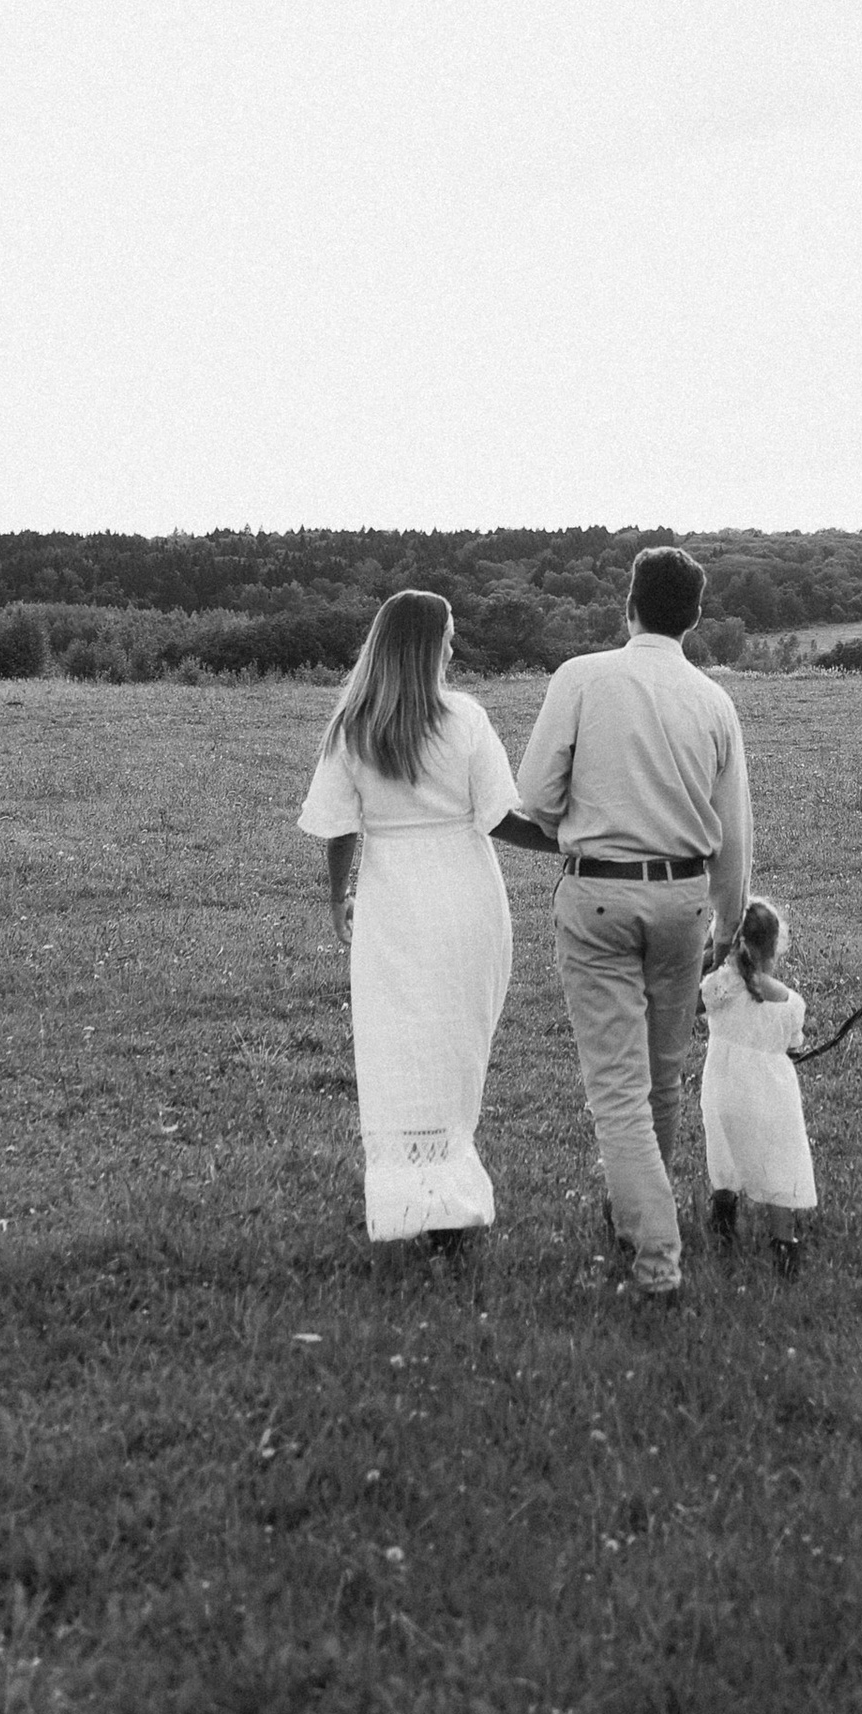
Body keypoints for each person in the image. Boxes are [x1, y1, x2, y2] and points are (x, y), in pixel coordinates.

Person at [510, 543, 753, 1300]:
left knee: (617, 1091)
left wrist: (596, 816)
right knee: (661, 1081)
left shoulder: (581, 678)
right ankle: (633, 1217)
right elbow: (734, 830)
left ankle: (656, 1257)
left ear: (629, 605)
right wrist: (728, 923)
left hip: (599, 897)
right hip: (684, 902)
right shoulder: (714, 700)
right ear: (696, 617)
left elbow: (536, 800)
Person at [296, 587, 531, 1248]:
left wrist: (337, 895)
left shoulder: (353, 724)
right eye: (451, 633)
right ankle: (443, 1200)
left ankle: (420, 1197)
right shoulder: (465, 719)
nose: (455, 642)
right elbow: (502, 817)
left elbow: (339, 828)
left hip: (392, 898)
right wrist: (573, 840)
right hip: (464, 892)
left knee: (399, 1046)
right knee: (457, 1042)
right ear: (431, 644)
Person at [699, 896, 815, 1273]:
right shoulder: (790, 1003)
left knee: (725, 1148)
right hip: (771, 1095)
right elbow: (794, 1045)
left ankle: (723, 1212)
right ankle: (783, 1242)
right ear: (776, 945)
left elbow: (694, 1001)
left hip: (722, 1089)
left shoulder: (720, 987)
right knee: (779, 1161)